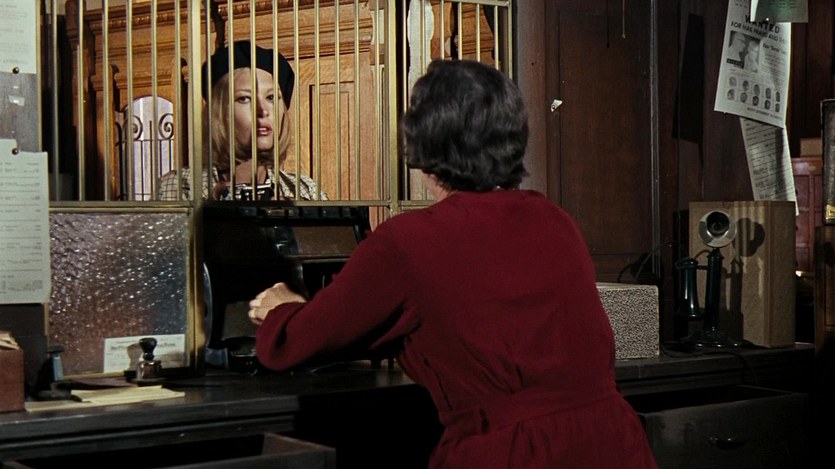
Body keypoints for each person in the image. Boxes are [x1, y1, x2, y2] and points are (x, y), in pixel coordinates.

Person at [247, 59, 658, 468]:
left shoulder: (408, 240)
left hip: (513, 453)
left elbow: (299, 343)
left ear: (422, 144)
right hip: (614, 442)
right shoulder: (553, 219)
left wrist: (280, 310)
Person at [157, 40, 326, 201]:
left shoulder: (304, 190)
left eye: (271, 97)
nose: (263, 111)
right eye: (245, 99)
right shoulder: (179, 187)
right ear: (219, 112)